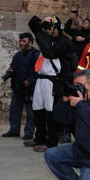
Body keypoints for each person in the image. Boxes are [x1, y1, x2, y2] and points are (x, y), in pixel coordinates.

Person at [24, 16, 74, 152]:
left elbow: (48, 53)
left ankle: (51, 142)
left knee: (50, 113)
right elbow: (32, 23)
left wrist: (45, 34)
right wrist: (42, 22)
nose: (52, 30)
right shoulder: (47, 40)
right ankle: (39, 137)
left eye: (54, 27)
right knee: (37, 110)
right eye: (51, 28)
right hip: (41, 80)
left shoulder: (64, 43)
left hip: (53, 81)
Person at [2, 32, 40, 141]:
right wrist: (9, 71)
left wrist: (31, 80)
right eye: (20, 41)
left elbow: (38, 70)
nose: (21, 43)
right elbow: (13, 66)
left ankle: (28, 133)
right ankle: (14, 130)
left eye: (24, 41)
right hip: (17, 87)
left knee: (30, 112)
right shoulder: (17, 55)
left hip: (29, 88)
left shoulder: (35, 54)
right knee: (14, 110)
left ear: (30, 42)